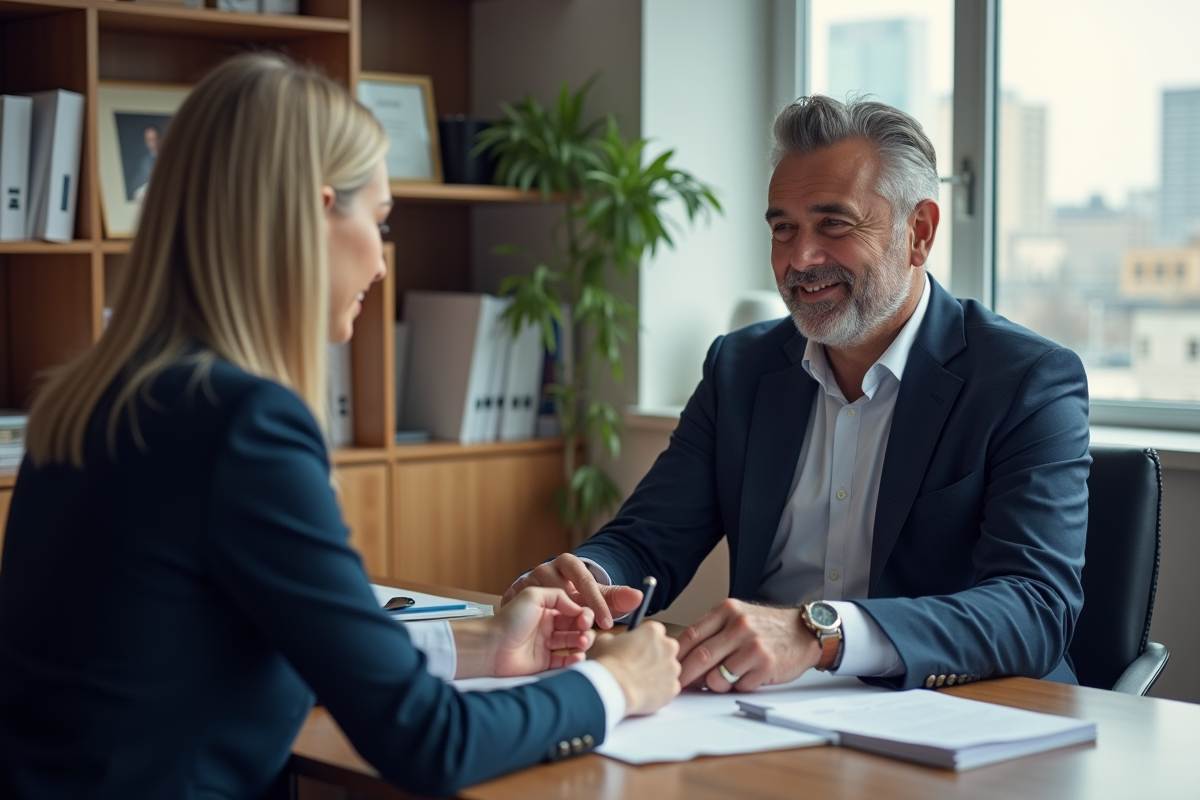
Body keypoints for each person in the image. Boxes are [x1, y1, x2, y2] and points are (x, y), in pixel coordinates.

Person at [0, 54, 680, 800]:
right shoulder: (242, 425)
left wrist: (485, 642)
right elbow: (429, 742)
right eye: (380, 222)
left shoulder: (100, 400)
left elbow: (242, 643)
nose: (383, 265)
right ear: (318, 213)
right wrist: (615, 684)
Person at [505, 95, 1090, 695]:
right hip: (762, 713)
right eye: (783, 228)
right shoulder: (741, 366)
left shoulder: (1026, 380)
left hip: (959, 716)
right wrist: (587, 583)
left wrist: (820, 634)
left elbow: (1034, 609)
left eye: (833, 224)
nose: (800, 259)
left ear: (918, 232)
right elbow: (649, 537)